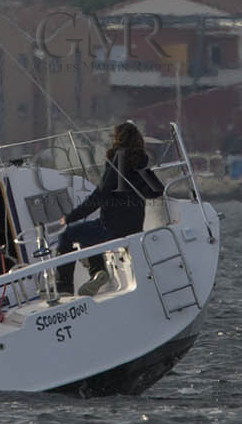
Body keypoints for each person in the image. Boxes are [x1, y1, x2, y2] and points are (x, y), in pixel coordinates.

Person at [54, 122, 163, 297]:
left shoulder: (117, 160)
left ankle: (64, 288)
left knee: (67, 235)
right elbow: (157, 191)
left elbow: (99, 196)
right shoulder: (141, 164)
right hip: (134, 227)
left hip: (111, 228)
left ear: (117, 139)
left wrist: (69, 217)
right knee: (87, 234)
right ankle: (98, 273)